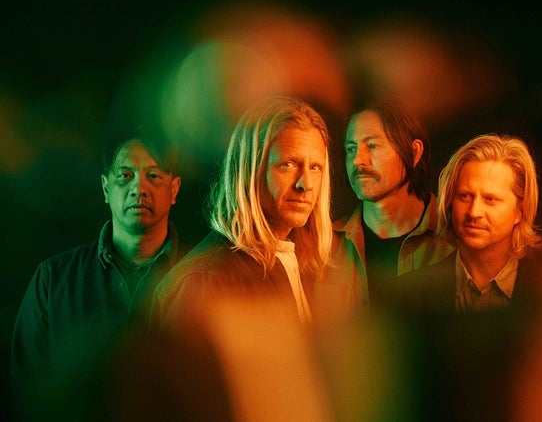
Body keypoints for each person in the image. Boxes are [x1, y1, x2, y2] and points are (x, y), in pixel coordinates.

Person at [133, 95, 334, 421]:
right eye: (287, 164)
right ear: (249, 170)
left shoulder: (302, 265)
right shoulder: (205, 281)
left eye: (316, 167)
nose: (305, 184)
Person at [10, 127, 192, 422]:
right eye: (125, 175)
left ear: (174, 189)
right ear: (106, 189)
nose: (139, 188)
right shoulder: (54, 280)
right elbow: (26, 388)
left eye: (153, 176)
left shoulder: (203, 275)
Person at [314, 97, 453, 320]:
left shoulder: (455, 238)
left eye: (372, 146)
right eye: (351, 148)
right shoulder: (324, 246)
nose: (358, 160)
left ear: (414, 152)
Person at [393, 133, 542, 314]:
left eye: (490, 199)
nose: (474, 212)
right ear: (450, 201)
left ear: (520, 212)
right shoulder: (410, 293)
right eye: (465, 196)